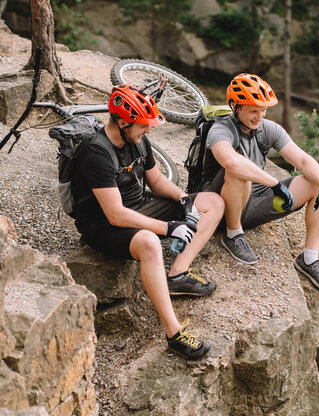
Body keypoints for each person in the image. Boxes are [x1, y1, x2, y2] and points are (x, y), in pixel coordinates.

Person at [73, 84, 224, 359]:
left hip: (140, 208)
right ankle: (174, 334)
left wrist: (184, 201)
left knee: (213, 202)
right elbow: (116, 214)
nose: (148, 130)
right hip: (104, 227)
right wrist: (169, 227)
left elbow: (156, 180)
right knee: (150, 242)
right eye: (143, 125)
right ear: (122, 122)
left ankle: (178, 275)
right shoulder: (96, 154)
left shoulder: (137, 140)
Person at [202, 72, 319, 293]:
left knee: (315, 184)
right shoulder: (221, 130)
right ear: (235, 106)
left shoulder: (268, 129)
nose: (260, 116)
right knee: (239, 171)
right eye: (253, 110)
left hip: (255, 202)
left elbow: (302, 159)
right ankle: (233, 235)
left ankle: (309, 259)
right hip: (219, 208)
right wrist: (274, 183)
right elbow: (230, 161)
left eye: (263, 110)